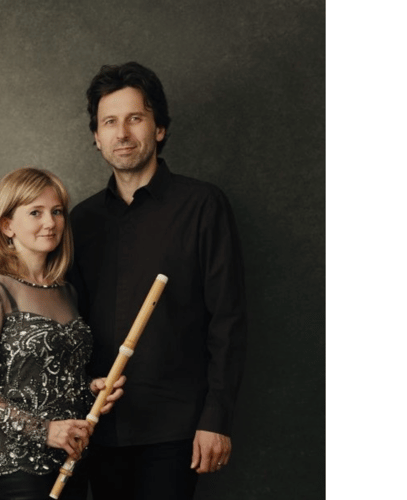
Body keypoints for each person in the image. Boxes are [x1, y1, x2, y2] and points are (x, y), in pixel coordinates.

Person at [68, 62, 247, 500]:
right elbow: (73, 326)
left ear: (159, 128)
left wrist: (216, 418)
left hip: (176, 428)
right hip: (99, 426)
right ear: (96, 137)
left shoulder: (202, 205)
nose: (122, 133)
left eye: (135, 118)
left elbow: (228, 320)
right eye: (110, 122)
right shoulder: (80, 221)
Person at [0, 167, 126, 500]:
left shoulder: (67, 291)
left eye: (57, 211)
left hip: (72, 455)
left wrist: (92, 387)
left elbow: (54, 377)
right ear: (7, 225)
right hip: (17, 462)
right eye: (36, 212)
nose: (50, 222)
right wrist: (42, 430)